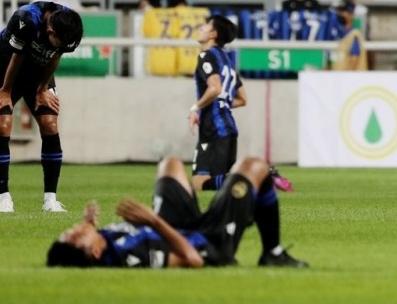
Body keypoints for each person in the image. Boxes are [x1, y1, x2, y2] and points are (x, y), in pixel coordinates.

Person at [46, 156, 308, 268]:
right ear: (94, 251)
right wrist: (154, 221)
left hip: (176, 227)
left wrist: (90, 225)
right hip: (208, 242)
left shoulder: (103, 242)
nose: (73, 230)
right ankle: (273, 253)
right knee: (254, 166)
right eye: (75, 236)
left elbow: (110, 237)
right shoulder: (133, 258)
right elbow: (192, 259)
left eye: (67, 232)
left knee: (170, 165)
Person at [0, 2, 84, 213]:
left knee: (50, 123)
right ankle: (4, 199)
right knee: (2, 124)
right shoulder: (26, 20)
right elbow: (17, 56)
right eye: (57, 41)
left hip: (37, 70)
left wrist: (41, 89)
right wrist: (5, 90)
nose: (60, 46)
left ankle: (50, 200)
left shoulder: (68, 25)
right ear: (49, 30)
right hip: (4, 66)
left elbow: (55, 55)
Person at [188, 15, 247, 192]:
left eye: (205, 25)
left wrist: (195, 108)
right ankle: (256, 177)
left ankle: (257, 176)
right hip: (229, 129)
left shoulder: (206, 56)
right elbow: (242, 99)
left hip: (214, 129)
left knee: (199, 183)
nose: (201, 28)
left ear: (213, 33)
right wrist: (219, 104)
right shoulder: (226, 61)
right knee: (219, 185)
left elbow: (215, 88)